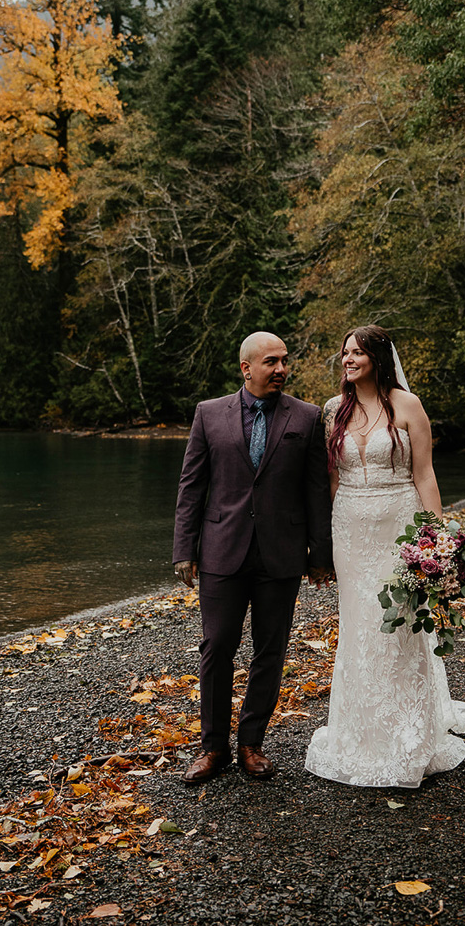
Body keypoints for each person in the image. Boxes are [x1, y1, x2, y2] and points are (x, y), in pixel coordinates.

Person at [305, 324, 465, 788]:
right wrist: (322, 546)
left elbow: (425, 475)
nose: (348, 360)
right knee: (360, 625)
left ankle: (409, 732)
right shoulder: (333, 410)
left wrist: (438, 540)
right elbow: (329, 481)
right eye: (344, 352)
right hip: (349, 527)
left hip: (398, 525)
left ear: (378, 359)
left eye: (357, 353)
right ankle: (359, 731)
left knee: (401, 623)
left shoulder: (408, 406)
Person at [173, 331, 333, 784]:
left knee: (270, 650)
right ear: (246, 368)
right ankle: (213, 748)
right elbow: (192, 487)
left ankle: (251, 744)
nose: (281, 369)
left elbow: (316, 491)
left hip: (281, 554)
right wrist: (184, 549)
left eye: (284, 361)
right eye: (271, 361)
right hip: (222, 551)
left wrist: (320, 555)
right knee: (217, 646)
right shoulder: (209, 414)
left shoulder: (306, 417)